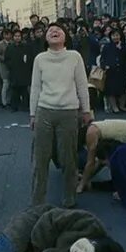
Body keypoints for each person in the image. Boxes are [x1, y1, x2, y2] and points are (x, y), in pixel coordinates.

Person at [30, 23, 91, 208]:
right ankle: (37, 201)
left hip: (69, 112)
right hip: (44, 111)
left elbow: (82, 85)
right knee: (41, 158)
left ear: (65, 36)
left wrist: (86, 110)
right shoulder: (40, 59)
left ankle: (69, 197)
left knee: (68, 158)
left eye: (58, 30)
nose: (54, 32)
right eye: (50, 31)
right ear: (45, 38)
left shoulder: (74, 57)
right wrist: (33, 114)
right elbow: (35, 87)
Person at [100, 29, 126, 113]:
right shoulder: (107, 46)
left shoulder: (124, 46)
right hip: (110, 71)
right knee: (111, 90)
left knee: (123, 89)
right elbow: (102, 58)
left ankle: (122, 105)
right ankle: (114, 107)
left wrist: (120, 49)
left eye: (117, 35)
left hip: (123, 70)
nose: (115, 37)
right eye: (113, 35)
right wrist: (104, 66)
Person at [5, 29, 32, 111]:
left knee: (24, 90)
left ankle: (26, 106)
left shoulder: (25, 47)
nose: (17, 38)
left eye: (19, 36)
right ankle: (14, 107)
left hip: (24, 70)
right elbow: (6, 59)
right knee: (14, 90)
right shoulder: (10, 47)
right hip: (14, 71)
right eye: (16, 36)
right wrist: (10, 65)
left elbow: (29, 58)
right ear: (13, 37)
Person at [0, 28, 13, 107]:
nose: (7, 36)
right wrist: (4, 58)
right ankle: (4, 102)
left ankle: (9, 100)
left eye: (9, 34)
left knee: (11, 84)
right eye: (6, 34)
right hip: (4, 66)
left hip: (12, 66)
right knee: (5, 83)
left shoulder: (12, 43)